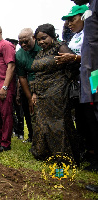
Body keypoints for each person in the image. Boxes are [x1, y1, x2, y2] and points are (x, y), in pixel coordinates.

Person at [29, 23, 79, 162]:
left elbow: (74, 63)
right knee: (42, 124)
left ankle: (63, 157)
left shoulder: (59, 47)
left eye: (44, 38)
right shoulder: (41, 53)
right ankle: (45, 153)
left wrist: (64, 80)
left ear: (52, 36)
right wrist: (34, 93)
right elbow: (37, 74)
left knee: (58, 124)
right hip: (42, 93)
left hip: (57, 93)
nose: (41, 42)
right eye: (39, 40)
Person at [57, 5, 98, 167]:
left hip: (95, 77)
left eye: (72, 19)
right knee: (83, 117)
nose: (69, 24)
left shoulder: (92, 33)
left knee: (94, 113)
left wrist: (73, 58)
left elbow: (92, 56)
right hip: (80, 83)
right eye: (68, 21)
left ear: (83, 17)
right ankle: (89, 151)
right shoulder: (75, 37)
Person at [71, 0, 98, 172]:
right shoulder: (92, 7)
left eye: (72, 19)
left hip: (95, 76)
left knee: (95, 109)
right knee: (90, 116)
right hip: (88, 78)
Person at [16, 28, 42, 143]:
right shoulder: (19, 54)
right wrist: (29, 97)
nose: (23, 44)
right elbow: (22, 77)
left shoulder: (42, 47)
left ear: (33, 38)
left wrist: (36, 92)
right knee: (28, 110)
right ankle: (32, 136)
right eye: (20, 42)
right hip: (28, 84)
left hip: (44, 82)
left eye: (26, 41)